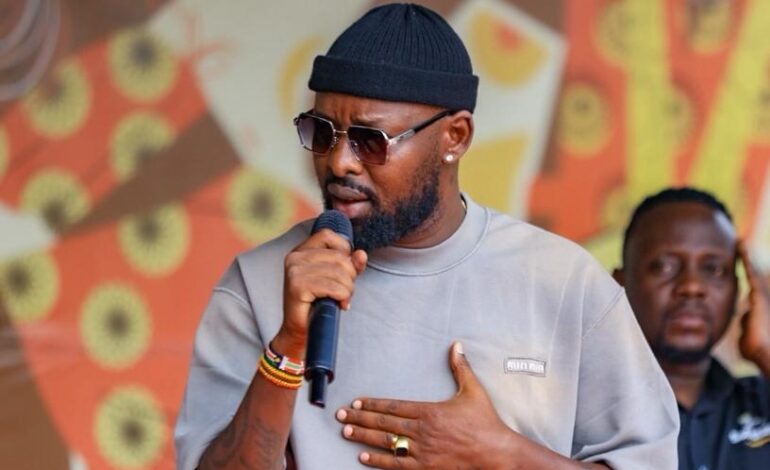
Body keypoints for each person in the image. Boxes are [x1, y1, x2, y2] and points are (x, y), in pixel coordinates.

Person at [175, 4, 678, 469]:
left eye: (371, 141)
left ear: (454, 137)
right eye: (321, 133)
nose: (340, 162)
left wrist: (502, 454)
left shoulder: (563, 282)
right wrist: (289, 344)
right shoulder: (258, 283)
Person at [613, 187, 770, 470]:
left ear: (739, 290)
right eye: (664, 267)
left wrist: (765, 352)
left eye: (714, 269)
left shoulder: (761, 399)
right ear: (619, 284)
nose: (692, 286)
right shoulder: (581, 409)